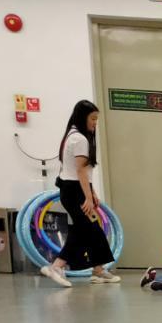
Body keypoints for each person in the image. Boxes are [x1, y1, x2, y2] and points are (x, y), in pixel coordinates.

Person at [39, 100, 119, 287]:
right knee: (84, 230)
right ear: (83, 117)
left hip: (73, 189)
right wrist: (88, 198)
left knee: (91, 228)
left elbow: (82, 172)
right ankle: (57, 266)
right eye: (93, 119)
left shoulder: (72, 135)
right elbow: (80, 170)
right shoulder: (80, 139)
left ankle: (98, 270)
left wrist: (92, 192)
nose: (95, 123)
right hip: (75, 191)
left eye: (96, 119)